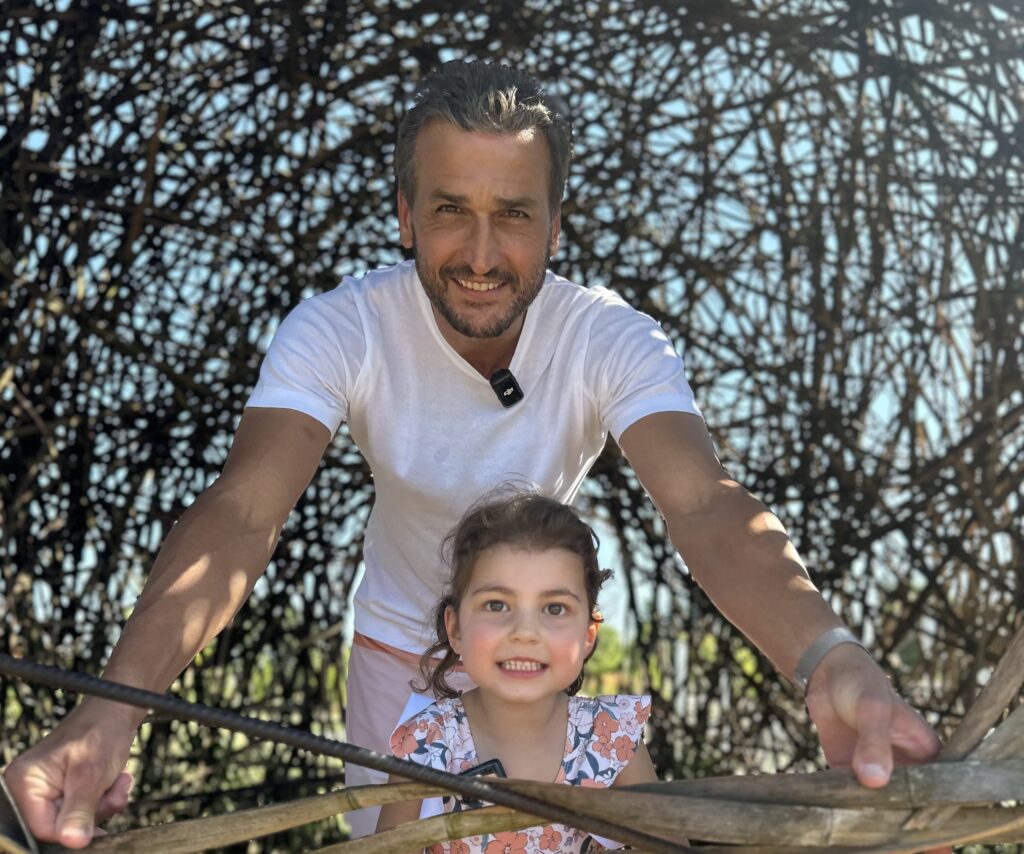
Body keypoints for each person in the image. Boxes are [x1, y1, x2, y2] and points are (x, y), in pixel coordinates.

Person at [4, 59, 942, 848]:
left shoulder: (609, 339)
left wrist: (831, 659)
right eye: (451, 209)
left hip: (534, 661)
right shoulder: (341, 329)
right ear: (405, 215)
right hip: (393, 662)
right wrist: (111, 709)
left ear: (556, 226)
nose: (483, 255)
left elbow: (703, 504)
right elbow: (243, 514)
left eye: (516, 215)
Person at [375, 491, 660, 853]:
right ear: (456, 628)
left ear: (589, 634)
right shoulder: (428, 742)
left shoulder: (611, 736)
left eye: (554, 609)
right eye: (497, 605)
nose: (525, 632)